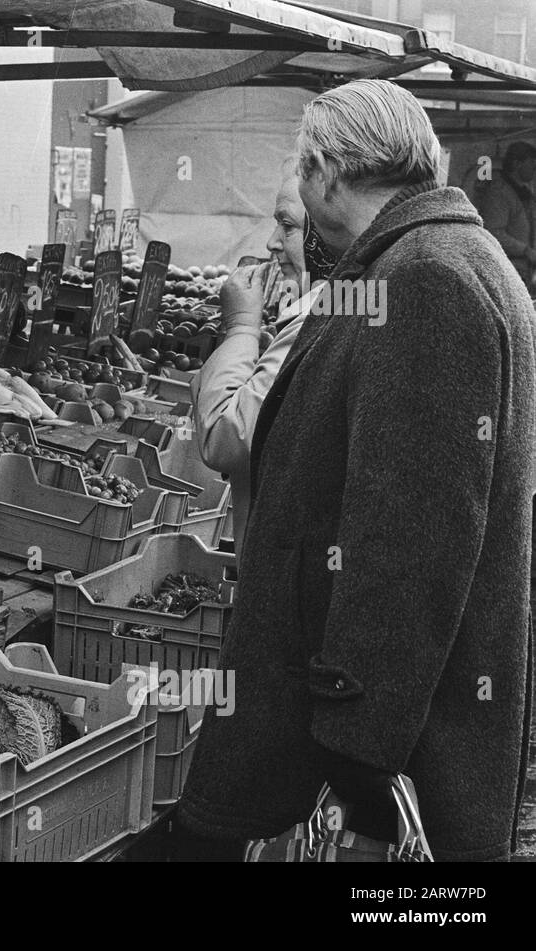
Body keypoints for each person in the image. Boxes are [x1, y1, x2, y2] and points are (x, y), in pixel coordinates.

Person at [177, 79, 536, 862]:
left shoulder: (427, 278)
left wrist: (358, 767)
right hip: (392, 735)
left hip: (384, 759)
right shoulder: (435, 257)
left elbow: (411, 542)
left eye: (301, 174)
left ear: (328, 173)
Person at [190, 159, 336, 549]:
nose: (272, 242)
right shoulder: (342, 304)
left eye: (287, 226)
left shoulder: (318, 320)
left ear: (329, 233)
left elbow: (224, 438)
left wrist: (240, 325)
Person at [476, 141, 536, 286]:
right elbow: (493, 232)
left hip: (521, 269)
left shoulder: (522, 192)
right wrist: (525, 250)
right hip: (507, 270)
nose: (535, 168)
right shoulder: (499, 192)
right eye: (532, 163)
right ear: (516, 163)